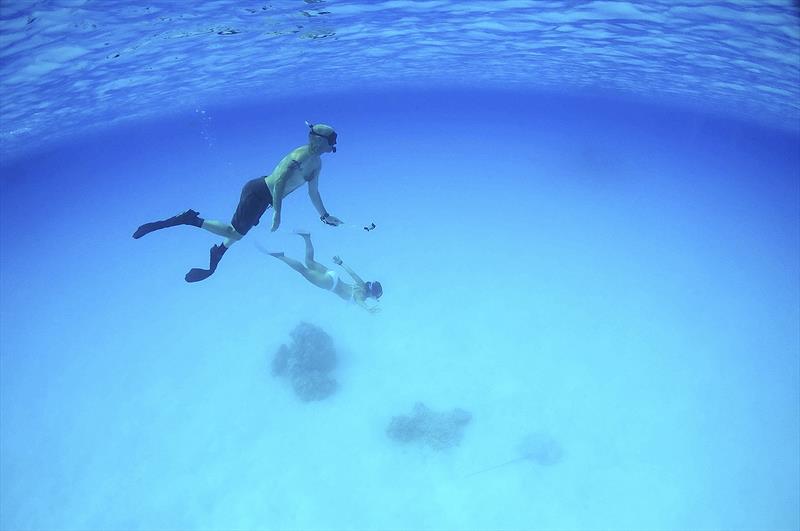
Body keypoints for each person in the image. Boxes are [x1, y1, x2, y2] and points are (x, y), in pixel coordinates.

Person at [132, 122, 343, 282]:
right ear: (319, 141)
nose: (330, 148)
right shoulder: (299, 155)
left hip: (263, 198)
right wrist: (277, 212)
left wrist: (324, 215)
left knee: (238, 231)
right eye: (329, 144)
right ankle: (189, 220)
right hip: (259, 193)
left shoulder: (316, 163)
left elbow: (313, 192)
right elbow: (279, 183)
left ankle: (219, 251)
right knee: (235, 232)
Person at [260, 232, 382, 313]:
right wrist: (368, 309)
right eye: (375, 297)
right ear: (372, 294)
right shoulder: (362, 296)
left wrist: (341, 263)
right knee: (303, 270)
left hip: (334, 275)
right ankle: (281, 256)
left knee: (309, 261)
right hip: (329, 284)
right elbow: (360, 302)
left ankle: (306, 237)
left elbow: (353, 274)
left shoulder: (361, 284)